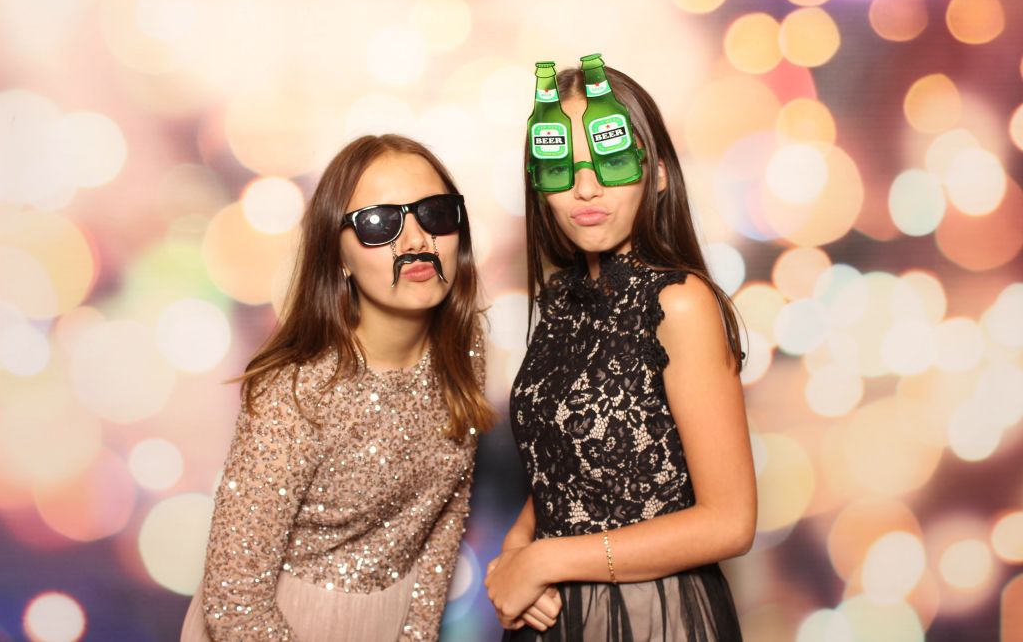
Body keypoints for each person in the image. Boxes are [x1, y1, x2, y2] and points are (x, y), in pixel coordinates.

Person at [485, 56, 756, 641]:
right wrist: (516, 547)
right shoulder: (562, 300)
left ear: (656, 174)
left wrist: (545, 560)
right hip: (556, 617)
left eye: (610, 160)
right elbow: (570, 459)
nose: (585, 188)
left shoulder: (679, 303)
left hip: (652, 618)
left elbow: (730, 523)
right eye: (562, 168)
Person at [180, 134, 492, 642]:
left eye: (435, 213)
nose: (416, 241)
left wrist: (415, 635)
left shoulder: (464, 346)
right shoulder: (297, 393)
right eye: (379, 223)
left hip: (390, 622)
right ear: (338, 254)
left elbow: (445, 514)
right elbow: (234, 601)